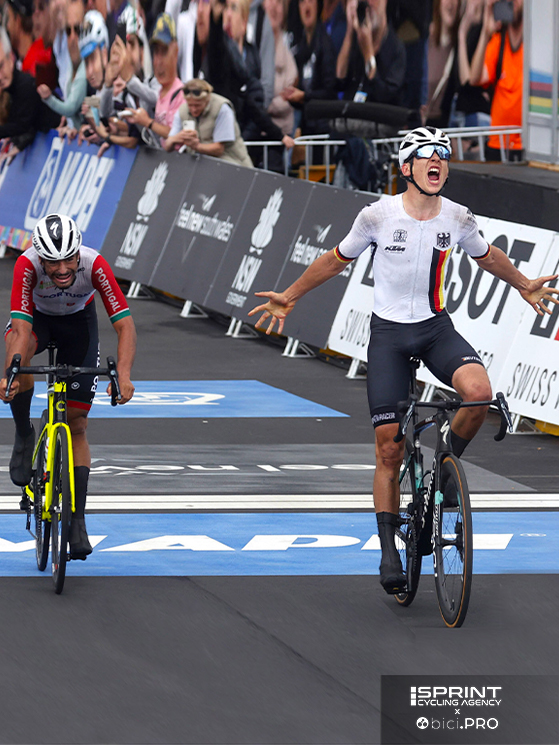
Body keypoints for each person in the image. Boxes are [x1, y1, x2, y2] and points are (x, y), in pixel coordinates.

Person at [248, 125, 559, 594]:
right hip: (389, 337)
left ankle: (444, 473)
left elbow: (487, 256)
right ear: (406, 167)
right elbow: (334, 260)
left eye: (443, 155)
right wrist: (289, 296)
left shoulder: (457, 216)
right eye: (427, 154)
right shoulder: (377, 215)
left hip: (435, 329)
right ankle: (389, 550)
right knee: (389, 449)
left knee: (479, 394)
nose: (437, 161)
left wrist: (523, 283)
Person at [0, 213, 136, 560]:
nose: (61, 270)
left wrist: (123, 375)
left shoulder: (95, 265)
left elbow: (125, 325)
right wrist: (11, 372)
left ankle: (77, 520)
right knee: (20, 355)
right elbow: (20, 330)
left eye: (68, 260)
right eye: (52, 262)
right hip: (37, 321)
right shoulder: (27, 266)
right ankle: (24, 432)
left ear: (78, 253)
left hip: (78, 324)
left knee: (77, 425)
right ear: (40, 257)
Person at [469, 0, 523, 160]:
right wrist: (485, 34)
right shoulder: (498, 42)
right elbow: (475, 79)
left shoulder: (536, 46)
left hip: (525, 144)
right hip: (497, 143)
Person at [164, 77, 254, 167]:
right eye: (190, 105)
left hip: (233, 164)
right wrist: (176, 138)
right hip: (202, 166)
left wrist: (196, 146)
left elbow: (218, 149)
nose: (193, 109)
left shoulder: (222, 108)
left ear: (207, 99)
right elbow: (168, 145)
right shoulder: (182, 110)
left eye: (197, 105)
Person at [125, 12, 183, 147]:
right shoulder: (160, 92)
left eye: (164, 52)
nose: (159, 61)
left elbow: (176, 134)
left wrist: (147, 122)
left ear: (175, 52)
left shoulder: (180, 94)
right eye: (156, 52)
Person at [336, 0, 406, 106]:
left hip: (377, 114)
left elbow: (384, 95)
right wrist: (350, 31)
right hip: (351, 113)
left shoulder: (396, 48)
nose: (368, 3)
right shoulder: (356, 40)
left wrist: (368, 53)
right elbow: (339, 81)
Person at [37, 0, 87, 127]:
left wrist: (49, 99)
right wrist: (69, 120)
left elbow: (98, 99)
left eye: (77, 29)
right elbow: (70, 101)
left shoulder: (88, 61)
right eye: (68, 31)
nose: (73, 37)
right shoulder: (58, 41)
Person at [423, 0, 460, 129]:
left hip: (445, 126)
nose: (451, 3)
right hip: (421, 124)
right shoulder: (425, 38)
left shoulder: (461, 43)